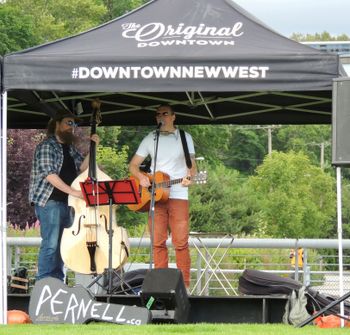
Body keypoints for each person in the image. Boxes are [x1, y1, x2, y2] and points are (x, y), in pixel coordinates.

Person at [129, 104, 196, 288]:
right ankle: (161, 286)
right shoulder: (151, 138)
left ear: (174, 116)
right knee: (157, 242)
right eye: (158, 114)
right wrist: (141, 177)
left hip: (178, 194)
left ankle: (184, 286)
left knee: (180, 242)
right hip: (155, 196)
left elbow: (192, 166)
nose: (161, 117)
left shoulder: (184, 137)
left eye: (165, 114)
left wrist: (190, 177)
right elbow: (133, 166)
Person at [29, 110, 99, 281]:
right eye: (69, 123)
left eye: (74, 124)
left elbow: (83, 167)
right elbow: (49, 175)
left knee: (62, 245)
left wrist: (93, 147)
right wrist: (74, 192)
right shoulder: (47, 145)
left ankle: (57, 282)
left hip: (67, 203)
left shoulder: (68, 148)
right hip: (49, 201)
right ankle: (44, 283)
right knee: (51, 245)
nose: (72, 127)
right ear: (57, 124)